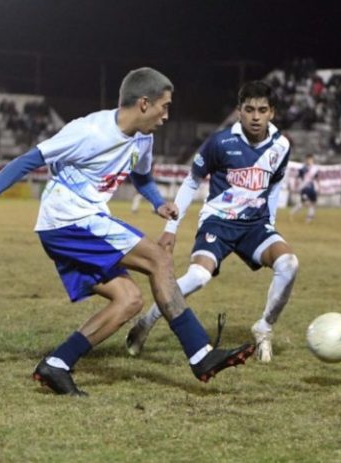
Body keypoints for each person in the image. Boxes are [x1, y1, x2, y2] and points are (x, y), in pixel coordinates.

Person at [0, 67, 254, 396]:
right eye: (164, 106)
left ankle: (57, 364)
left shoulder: (144, 138)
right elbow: (28, 159)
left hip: (78, 224)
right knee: (158, 259)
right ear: (143, 103)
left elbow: (141, 177)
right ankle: (201, 355)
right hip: (69, 221)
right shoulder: (89, 131)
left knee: (129, 300)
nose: (167, 115)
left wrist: (156, 202)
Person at [125, 80, 298, 363]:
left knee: (289, 264)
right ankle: (148, 320)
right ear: (239, 112)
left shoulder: (281, 145)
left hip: (255, 226)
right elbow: (192, 181)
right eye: (249, 109)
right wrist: (171, 228)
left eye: (262, 110)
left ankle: (264, 328)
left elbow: (275, 183)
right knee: (199, 276)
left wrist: (272, 222)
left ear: (272, 113)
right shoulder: (220, 142)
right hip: (218, 222)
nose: (256, 116)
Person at [290, 153, 319, 223]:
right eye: (308, 159)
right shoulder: (303, 168)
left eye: (310, 159)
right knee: (307, 203)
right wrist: (297, 185)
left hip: (313, 188)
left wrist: (318, 187)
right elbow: (298, 177)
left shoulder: (315, 168)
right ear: (306, 160)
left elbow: (317, 178)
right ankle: (308, 217)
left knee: (312, 203)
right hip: (304, 188)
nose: (309, 161)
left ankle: (295, 211)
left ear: (312, 160)